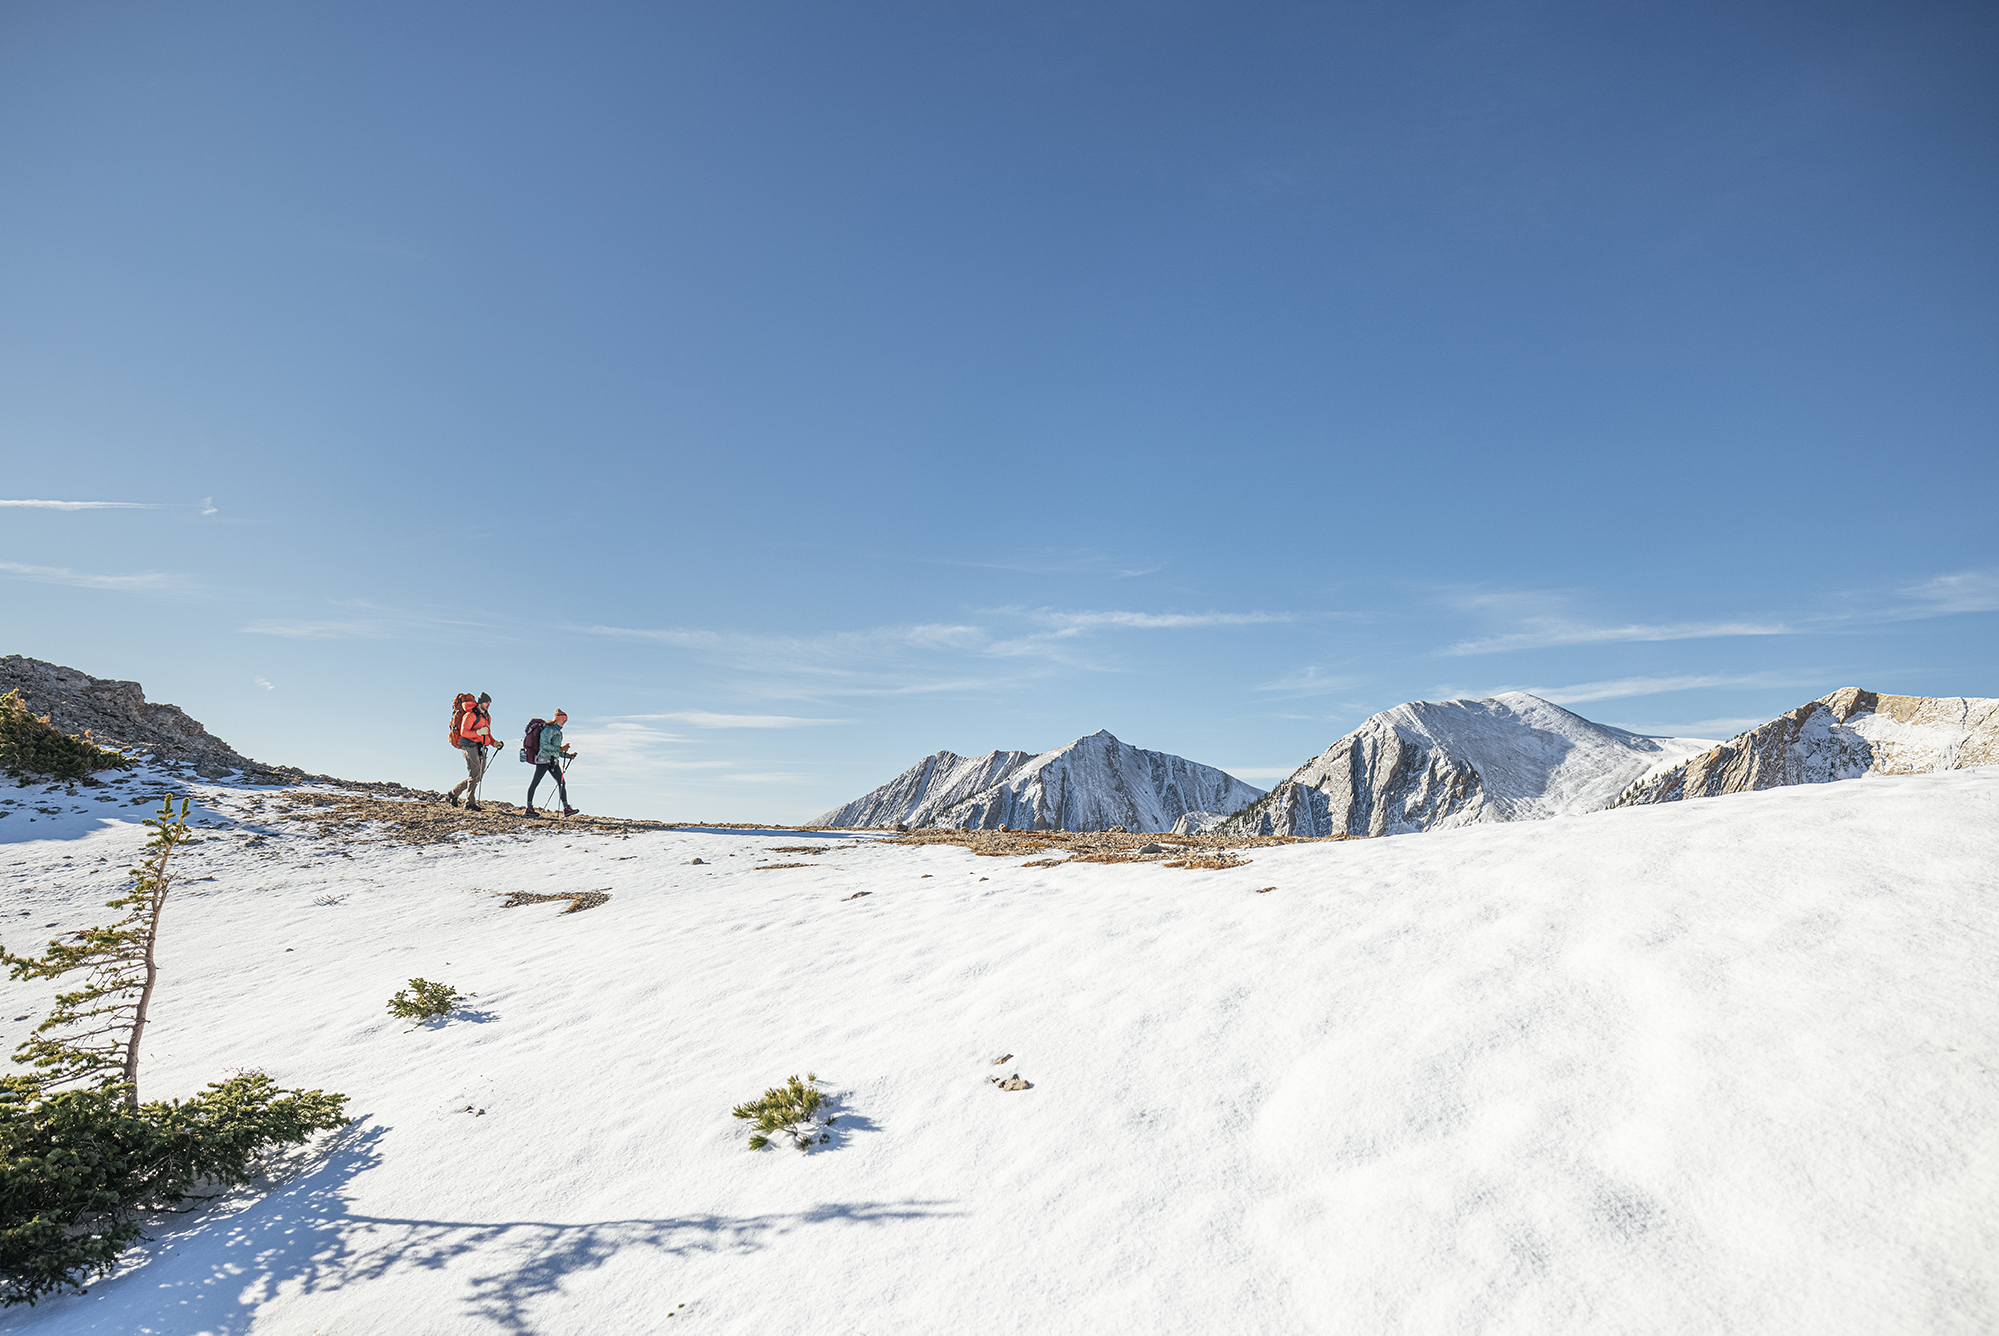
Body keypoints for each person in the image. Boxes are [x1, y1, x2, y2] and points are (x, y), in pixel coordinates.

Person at [448, 692, 499, 811]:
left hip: (480, 747)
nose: (488, 705)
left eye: (489, 703)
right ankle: (470, 802)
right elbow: (464, 732)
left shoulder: (487, 716)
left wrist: (495, 743)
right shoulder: (470, 715)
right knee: (475, 773)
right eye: (487, 702)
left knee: (478, 775)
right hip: (468, 746)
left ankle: (454, 793)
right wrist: (478, 733)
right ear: (481, 703)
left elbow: (487, 734)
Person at [526, 708, 577, 817]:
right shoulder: (548, 730)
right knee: (536, 782)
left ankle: (566, 808)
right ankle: (529, 807)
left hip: (553, 761)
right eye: (563, 719)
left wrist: (568, 755)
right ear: (557, 719)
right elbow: (545, 746)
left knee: (561, 782)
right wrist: (561, 749)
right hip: (543, 760)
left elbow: (556, 749)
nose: (564, 722)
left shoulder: (559, 732)